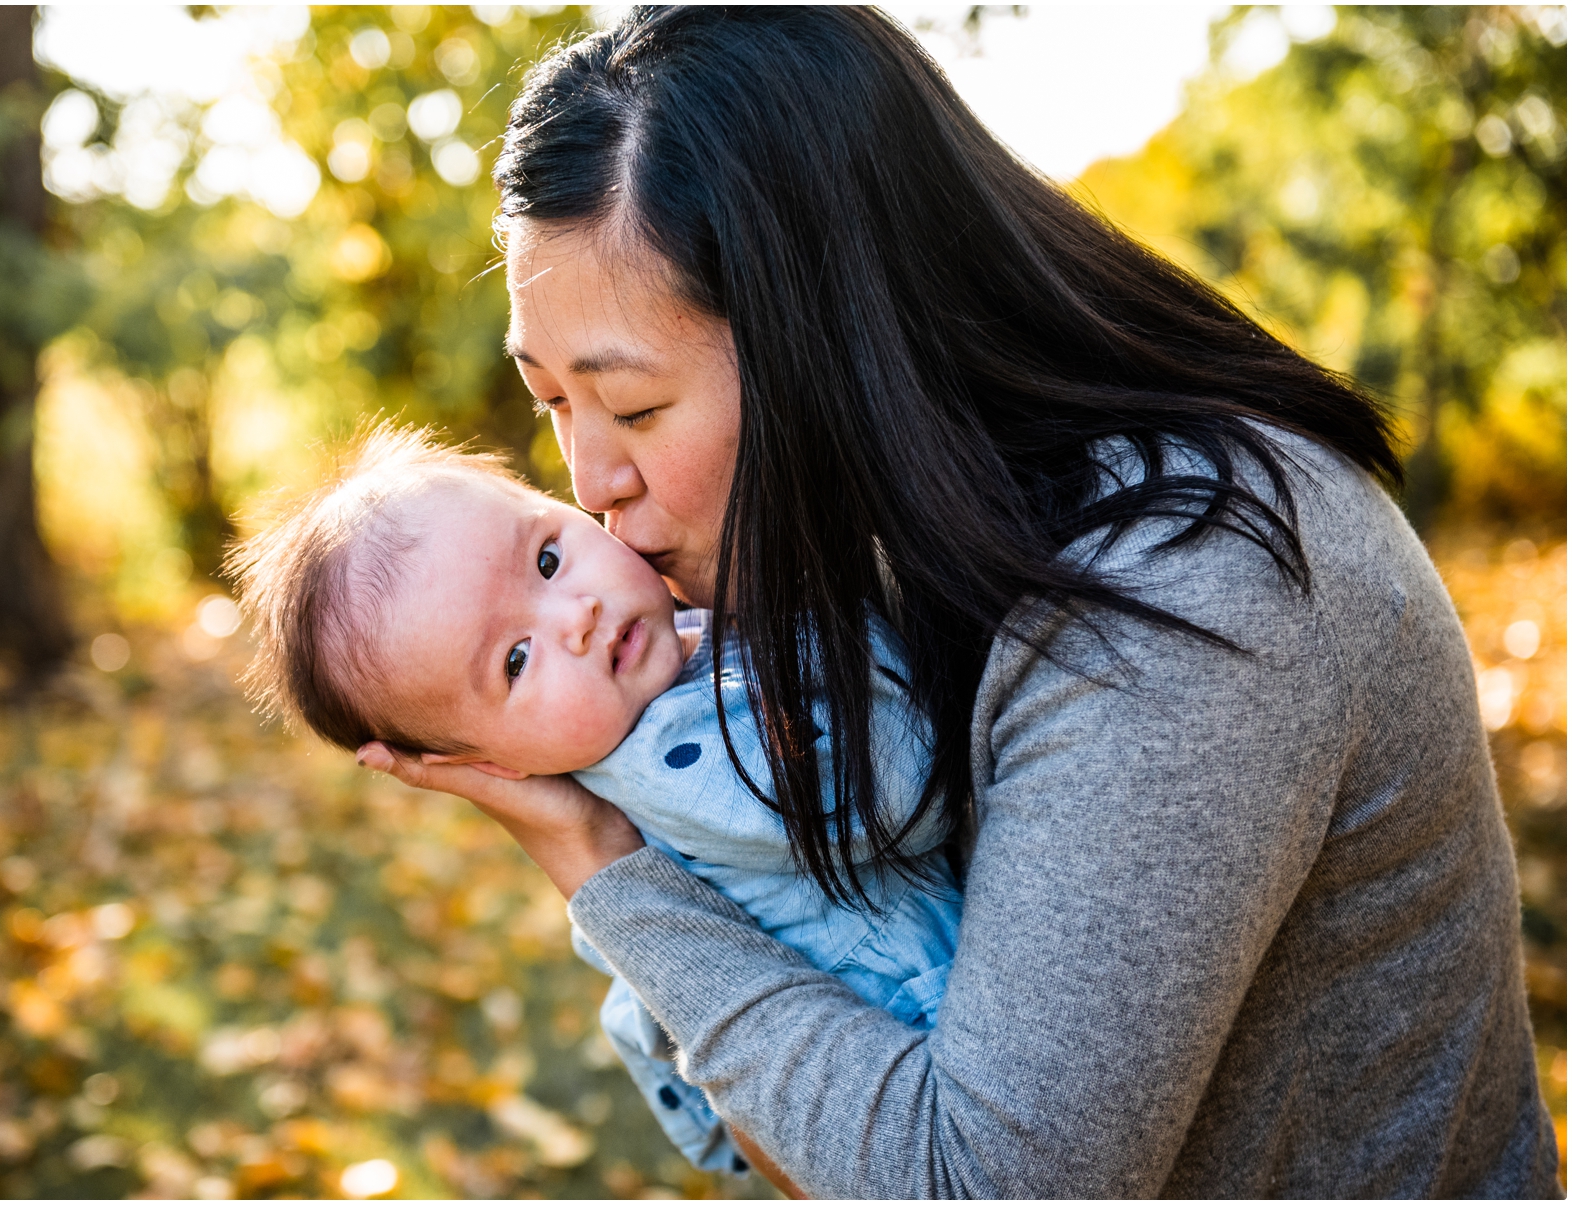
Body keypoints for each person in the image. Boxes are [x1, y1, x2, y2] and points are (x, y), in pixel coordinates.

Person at [358, 7, 1561, 1197]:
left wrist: (607, 868)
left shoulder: (1186, 592)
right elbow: (808, 1156)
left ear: (835, 341)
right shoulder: (858, 562)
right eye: (552, 401)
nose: (593, 486)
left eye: (632, 407)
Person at [227, 426, 962, 1177]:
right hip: (926, 1031)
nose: (573, 616)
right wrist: (819, 589)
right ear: (485, 763)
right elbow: (905, 792)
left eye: (547, 558)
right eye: (515, 660)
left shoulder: (684, 651)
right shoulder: (671, 758)